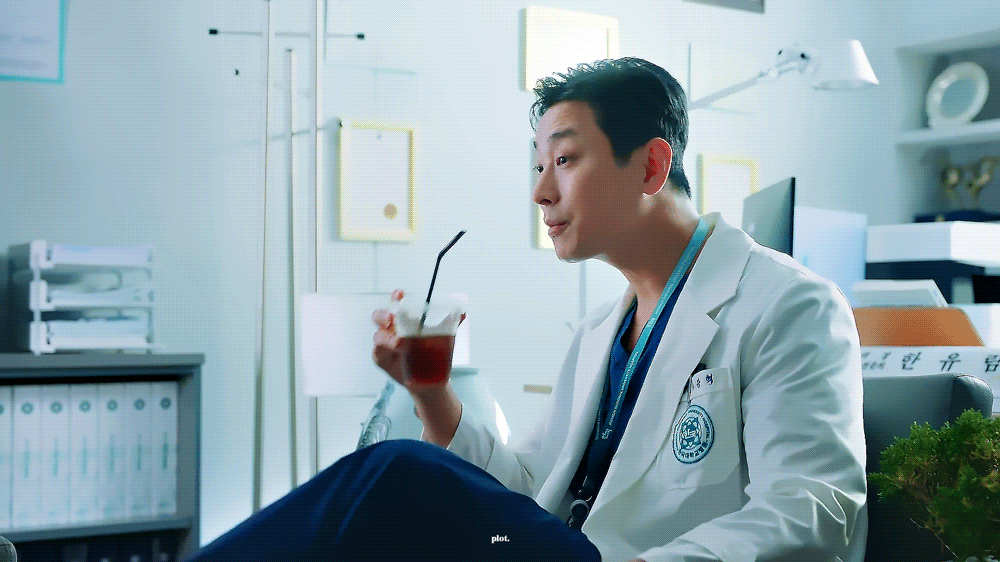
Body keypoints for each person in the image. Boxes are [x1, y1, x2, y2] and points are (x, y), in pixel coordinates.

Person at [184, 57, 866, 562]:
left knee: (396, 472)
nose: (541, 192)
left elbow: (815, 511)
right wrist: (432, 394)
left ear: (651, 167)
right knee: (384, 505)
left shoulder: (788, 305)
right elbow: (527, 489)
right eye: (538, 166)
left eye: (563, 160)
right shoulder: (599, 332)